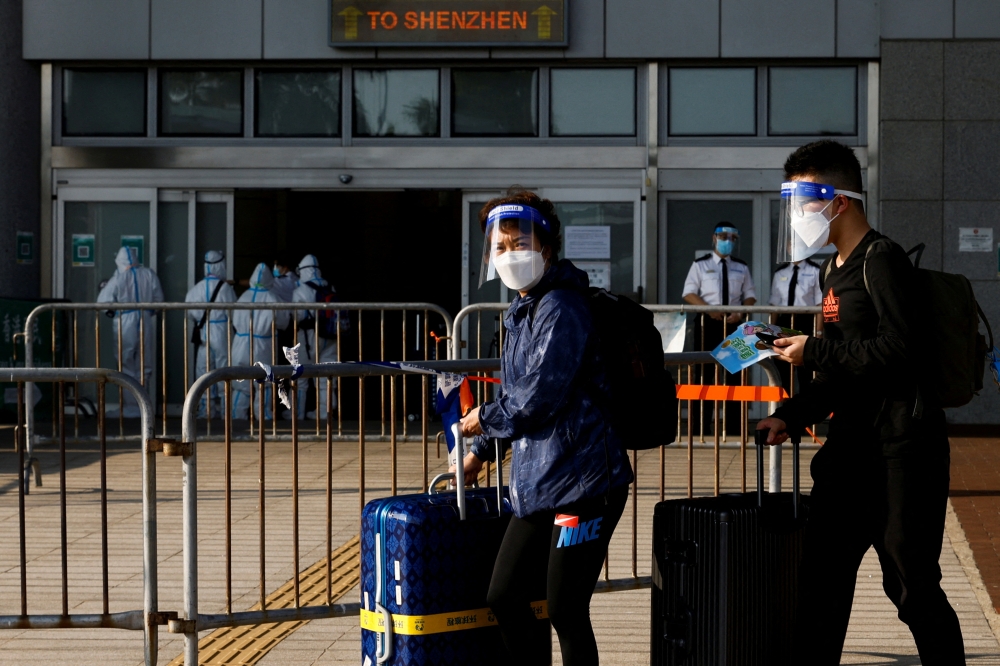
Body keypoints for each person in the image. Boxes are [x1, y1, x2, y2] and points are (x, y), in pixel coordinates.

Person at [757, 140, 965, 664]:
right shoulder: (833, 272)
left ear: (839, 200)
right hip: (850, 450)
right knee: (821, 583)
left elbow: (902, 348)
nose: (799, 216)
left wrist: (817, 348)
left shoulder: (881, 258)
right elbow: (841, 371)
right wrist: (791, 414)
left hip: (901, 453)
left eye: (804, 202)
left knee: (911, 587)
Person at [453, 190, 633, 666]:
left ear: (548, 247)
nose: (510, 254)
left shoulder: (562, 308)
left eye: (520, 243)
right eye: (501, 246)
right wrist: (482, 454)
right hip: (539, 481)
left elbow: (538, 397)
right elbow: (518, 393)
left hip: (586, 483)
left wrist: (482, 420)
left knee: (566, 607)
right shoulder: (522, 310)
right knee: (505, 595)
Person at [681, 224, 756, 435]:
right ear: (714, 238)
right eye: (724, 236)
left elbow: (750, 294)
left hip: (734, 324)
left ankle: (733, 429)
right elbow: (689, 293)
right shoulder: (700, 265)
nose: (728, 241)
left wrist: (741, 312)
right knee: (704, 375)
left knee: (735, 376)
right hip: (708, 324)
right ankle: (700, 428)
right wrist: (709, 310)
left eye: (733, 238)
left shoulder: (741, 267)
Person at [97, 246, 164, 417]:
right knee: (145, 363)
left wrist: (112, 312)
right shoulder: (149, 274)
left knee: (125, 363)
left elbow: (103, 301)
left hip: (124, 320)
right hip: (145, 319)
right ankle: (143, 406)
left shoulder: (118, 278)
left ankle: (131, 406)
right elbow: (159, 300)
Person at [230, 263, 290, 420]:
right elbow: (284, 322)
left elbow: (234, 320)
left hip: (240, 343)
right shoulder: (273, 298)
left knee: (241, 384)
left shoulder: (243, 297)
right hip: (263, 344)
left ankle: (237, 417)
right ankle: (264, 417)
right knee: (265, 382)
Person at [184, 250, 236, 417]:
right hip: (222, 331)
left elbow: (189, 312)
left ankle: (207, 411)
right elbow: (234, 312)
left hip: (204, 332)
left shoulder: (196, 288)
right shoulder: (226, 288)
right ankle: (226, 410)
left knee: (204, 371)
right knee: (224, 370)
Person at [291, 254, 343, 419]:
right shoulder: (330, 287)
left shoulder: (300, 290)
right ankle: (324, 412)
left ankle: (297, 413)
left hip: (308, 337)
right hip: (331, 335)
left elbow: (297, 317)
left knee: (302, 376)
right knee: (327, 374)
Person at [768, 258, 823, 396]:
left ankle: (806, 412)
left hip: (806, 321)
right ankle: (784, 411)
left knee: (806, 371)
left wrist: (819, 331)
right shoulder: (780, 272)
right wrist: (769, 330)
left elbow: (819, 305)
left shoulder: (815, 270)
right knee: (782, 371)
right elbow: (774, 304)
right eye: (791, 243)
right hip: (784, 322)